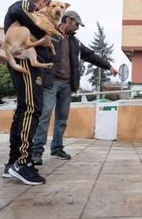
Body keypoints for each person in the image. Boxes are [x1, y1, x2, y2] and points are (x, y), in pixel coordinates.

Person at [31, 11, 118, 165]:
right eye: (76, 24)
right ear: (68, 20)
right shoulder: (50, 35)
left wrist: (108, 66)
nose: (77, 28)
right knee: (44, 115)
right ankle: (36, 151)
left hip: (66, 84)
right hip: (50, 83)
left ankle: (57, 149)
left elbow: (90, 55)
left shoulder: (75, 42)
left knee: (62, 119)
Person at [3, 0, 53, 185]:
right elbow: (17, 8)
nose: (47, 10)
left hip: (27, 61)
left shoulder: (29, 20)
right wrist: (44, 31)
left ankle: (13, 162)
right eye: (47, 5)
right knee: (32, 109)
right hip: (25, 60)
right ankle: (23, 164)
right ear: (41, 2)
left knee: (23, 110)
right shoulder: (27, 7)